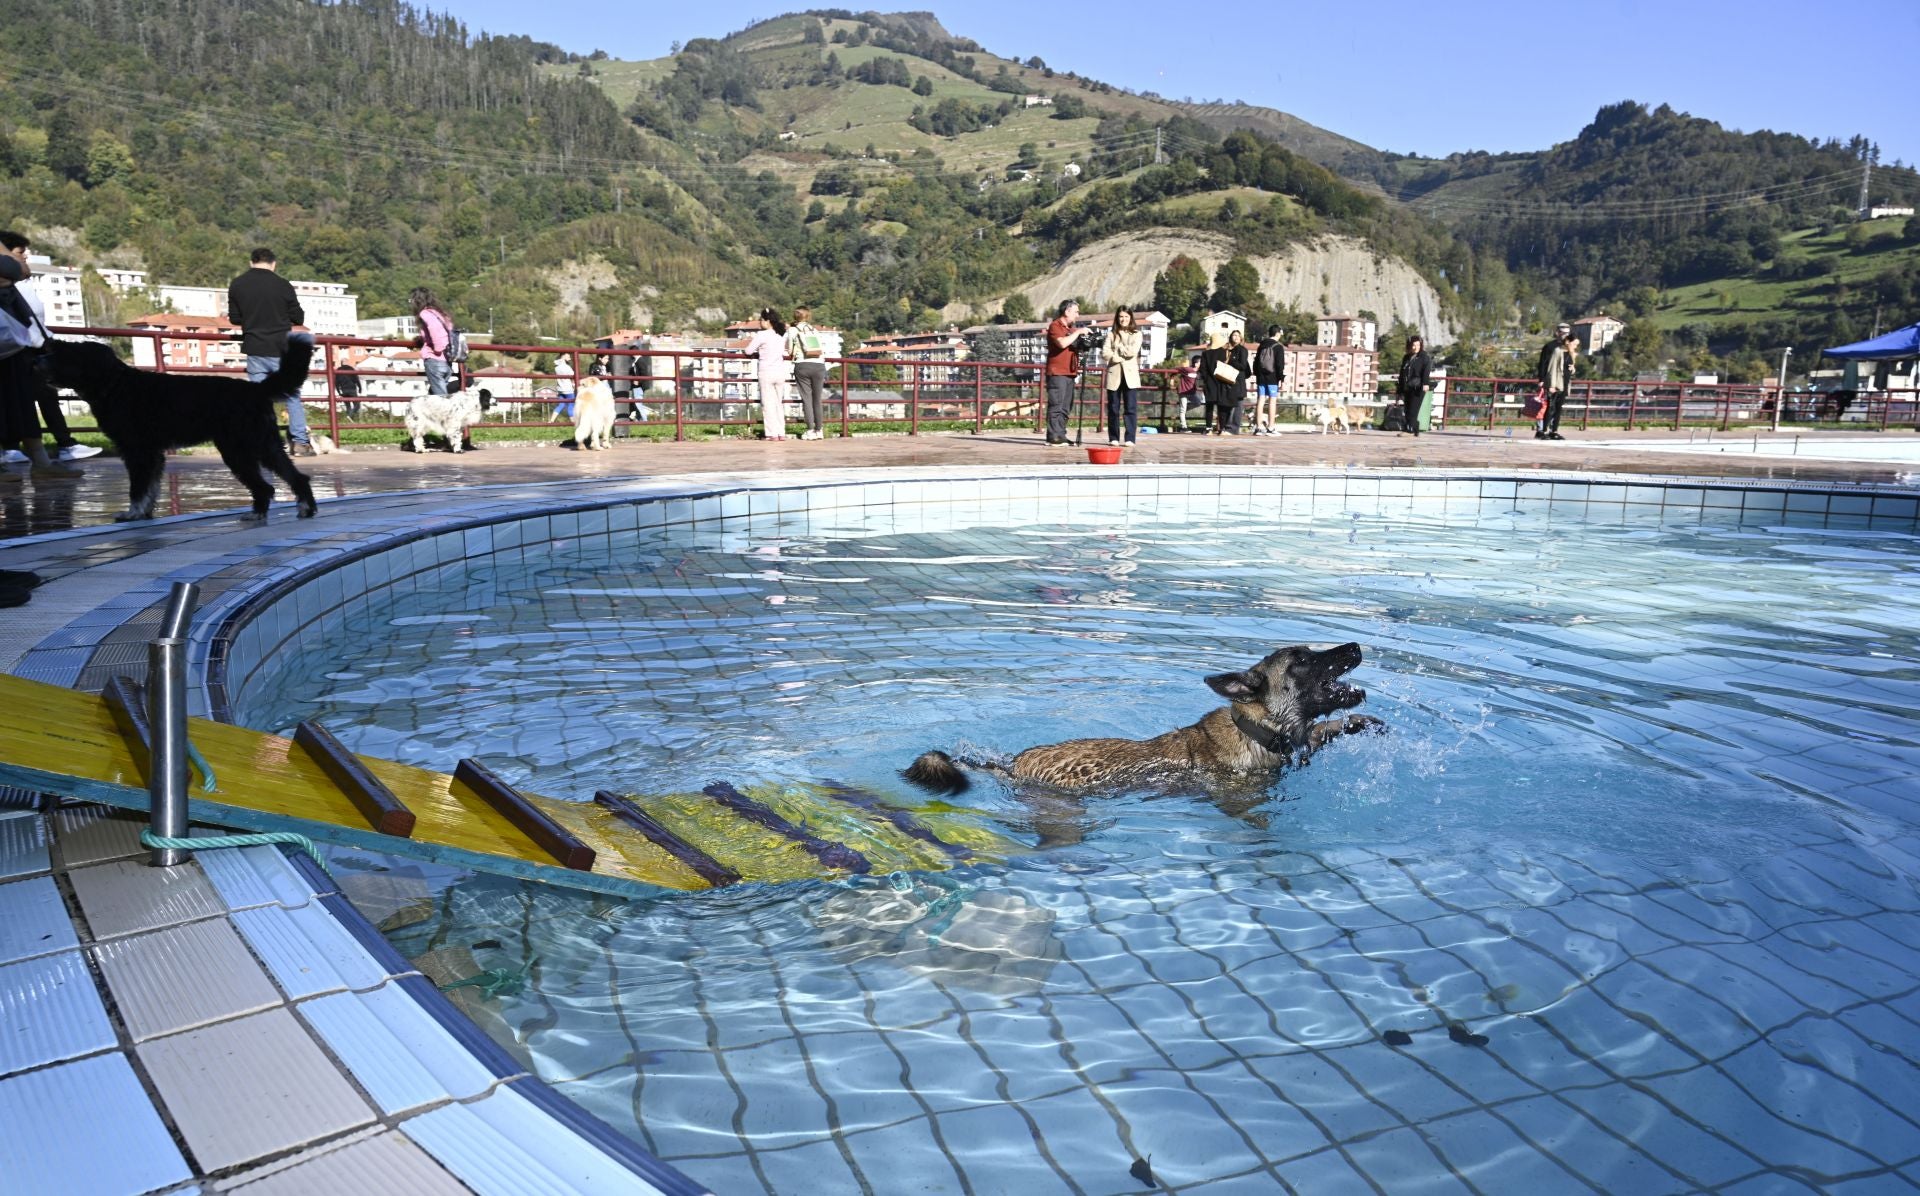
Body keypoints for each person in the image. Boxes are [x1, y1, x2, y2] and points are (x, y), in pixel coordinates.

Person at [0, 231, 98, 463]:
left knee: (25, 400)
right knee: (22, 399)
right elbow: (16, 270)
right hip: (19, 345)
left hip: (20, 344)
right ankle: (42, 453)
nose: (25, 257)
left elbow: (17, 271)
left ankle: (38, 458)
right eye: (21, 252)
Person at [0, 255, 82, 480]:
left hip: (14, 349)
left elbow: (14, 270)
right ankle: (39, 463)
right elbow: (13, 269)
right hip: (13, 346)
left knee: (23, 405)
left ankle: (41, 462)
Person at [228, 247, 313, 456]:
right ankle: (300, 443)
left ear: (251, 262)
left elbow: (235, 318)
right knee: (291, 396)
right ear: (273, 264)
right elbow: (298, 317)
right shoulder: (282, 285)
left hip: (255, 348)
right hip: (281, 348)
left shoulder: (237, 284)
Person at [1042, 299, 1082, 446]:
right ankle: (1053, 436)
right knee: (1056, 405)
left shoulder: (1070, 329)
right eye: (1076, 312)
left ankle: (1060, 435)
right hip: (1057, 372)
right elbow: (1062, 343)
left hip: (1070, 372)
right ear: (1067, 311)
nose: (1077, 315)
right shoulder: (1055, 326)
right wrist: (1078, 332)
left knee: (1065, 406)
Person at [786, 305, 829, 440]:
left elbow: (790, 350)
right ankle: (819, 430)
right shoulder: (814, 330)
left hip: (802, 365)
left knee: (807, 399)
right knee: (817, 399)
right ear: (808, 316)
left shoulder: (792, 330)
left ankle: (810, 430)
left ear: (795, 316)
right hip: (819, 365)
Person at [747, 308, 790, 440]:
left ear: (767, 321)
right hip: (780, 371)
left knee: (768, 404)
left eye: (761, 319)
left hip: (766, 372)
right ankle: (781, 432)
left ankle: (771, 433)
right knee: (778, 403)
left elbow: (748, 351)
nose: (760, 322)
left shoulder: (762, 335)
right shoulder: (781, 334)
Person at [1103, 308, 1142, 446]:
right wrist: (1117, 357)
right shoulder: (1111, 334)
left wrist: (1118, 348)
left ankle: (1130, 438)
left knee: (1130, 408)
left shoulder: (1137, 334)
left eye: (1126, 316)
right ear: (1117, 318)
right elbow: (1105, 353)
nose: (1123, 319)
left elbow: (1132, 351)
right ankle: (1113, 437)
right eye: (1121, 316)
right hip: (1114, 375)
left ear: (1130, 318)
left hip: (1130, 376)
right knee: (1113, 409)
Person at [408, 287, 456, 399]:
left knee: (440, 398)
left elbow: (434, 328)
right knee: (435, 394)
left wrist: (437, 349)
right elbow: (449, 329)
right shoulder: (439, 313)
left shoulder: (425, 313)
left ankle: (446, 411)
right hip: (446, 360)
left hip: (435, 360)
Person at [1535, 322, 1572, 441]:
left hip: (1564, 381)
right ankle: (1542, 430)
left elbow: (1569, 362)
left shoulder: (1568, 347)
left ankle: (1554, 431)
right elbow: (1543, 363)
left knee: (1558, 407)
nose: (1566, 335)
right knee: (1549, 406)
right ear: (1558, 332)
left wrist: (1572, 368)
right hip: (1552, 380)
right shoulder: (1550, 346)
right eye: (1563, 332)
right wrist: (1541, 379)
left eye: (1568, 333)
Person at [1252, 325, 1286, 436]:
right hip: (1272, 377)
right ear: (1278, 333)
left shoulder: (1261, 345)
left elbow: (1256, 362)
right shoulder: (1278, 347)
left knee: (1260, 401)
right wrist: (1281, 378)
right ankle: (1271, 427)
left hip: (1261, 377)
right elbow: (1279, 365)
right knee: (1272, 401)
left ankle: (1258, 427)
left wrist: (1257, 375)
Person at [1396, 333, 1432, 436]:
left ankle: (1409, 430)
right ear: (1409, 346)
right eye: (1413, 345)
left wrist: (1425, 383)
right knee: (1407, 409)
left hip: (1418, 387)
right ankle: (1415, 427)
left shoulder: (1424, 357)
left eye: (1418, 345)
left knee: (1413, 409)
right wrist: (1399, 389)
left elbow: (1426, 371)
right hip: (1407, 387)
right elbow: (1402, 373)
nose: (1416, 347)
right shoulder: (1406, 357)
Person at [1196, 330, 1227, 434]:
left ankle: (1208, 428)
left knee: (1209, 407)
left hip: (1209, 383)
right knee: (1221, 407)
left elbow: (1202, 369)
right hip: (1222, 382)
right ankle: (1222, 428)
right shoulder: (1224, 353)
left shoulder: (1205, 353)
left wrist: (1206, 379)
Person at [1175, 356, 1199, 431]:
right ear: (1196, 364)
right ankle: (1184, 427)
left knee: (1198, 402)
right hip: (1183, 391)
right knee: (1183, 410)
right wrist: (1172, 377)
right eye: (1200, 362)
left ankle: (1183, 411)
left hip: (1191, 392)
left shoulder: (1199, 371)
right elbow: (1176, 369)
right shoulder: (1188, 369)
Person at [553, 353, 575, 421]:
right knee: (571, 405)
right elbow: (573, 375)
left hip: (560, 389)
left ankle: (551, 421)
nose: (570, 358)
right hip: (568, 389)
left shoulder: (556, 367)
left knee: (561, 405)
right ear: (563, 356)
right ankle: (573, 422)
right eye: (568, 356)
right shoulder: (567, 367)